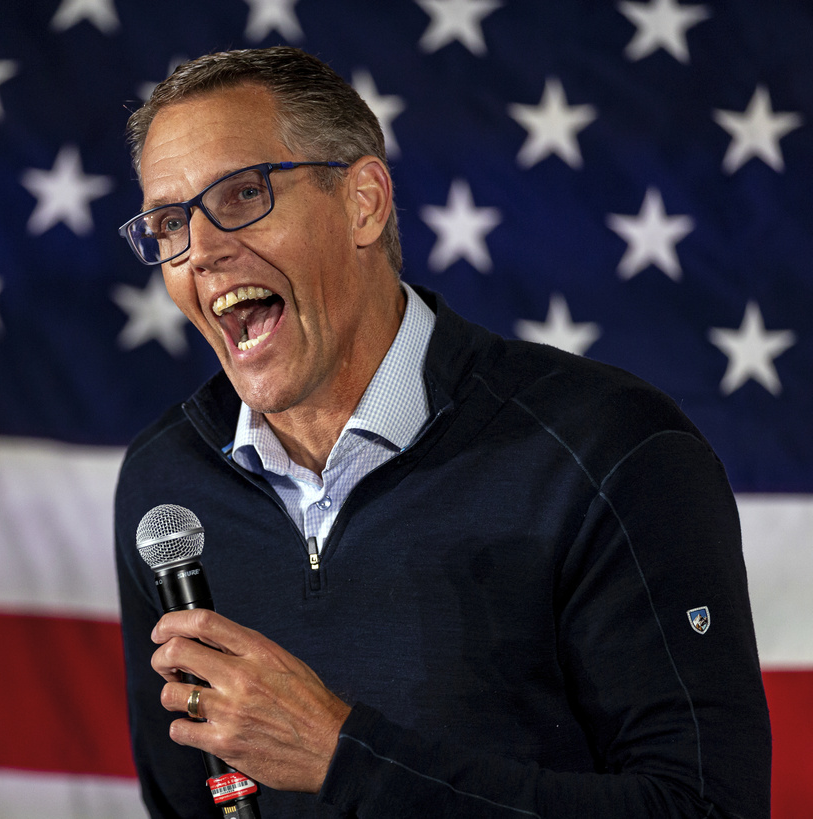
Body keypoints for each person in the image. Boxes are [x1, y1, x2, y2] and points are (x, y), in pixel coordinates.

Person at [113, 46, 771, 818]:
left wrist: (346, 759)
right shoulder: (168, 483)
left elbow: (704, 807)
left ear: (363, 202)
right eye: (170, 223)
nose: (202, 251)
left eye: (244, 194)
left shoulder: (611, 452)